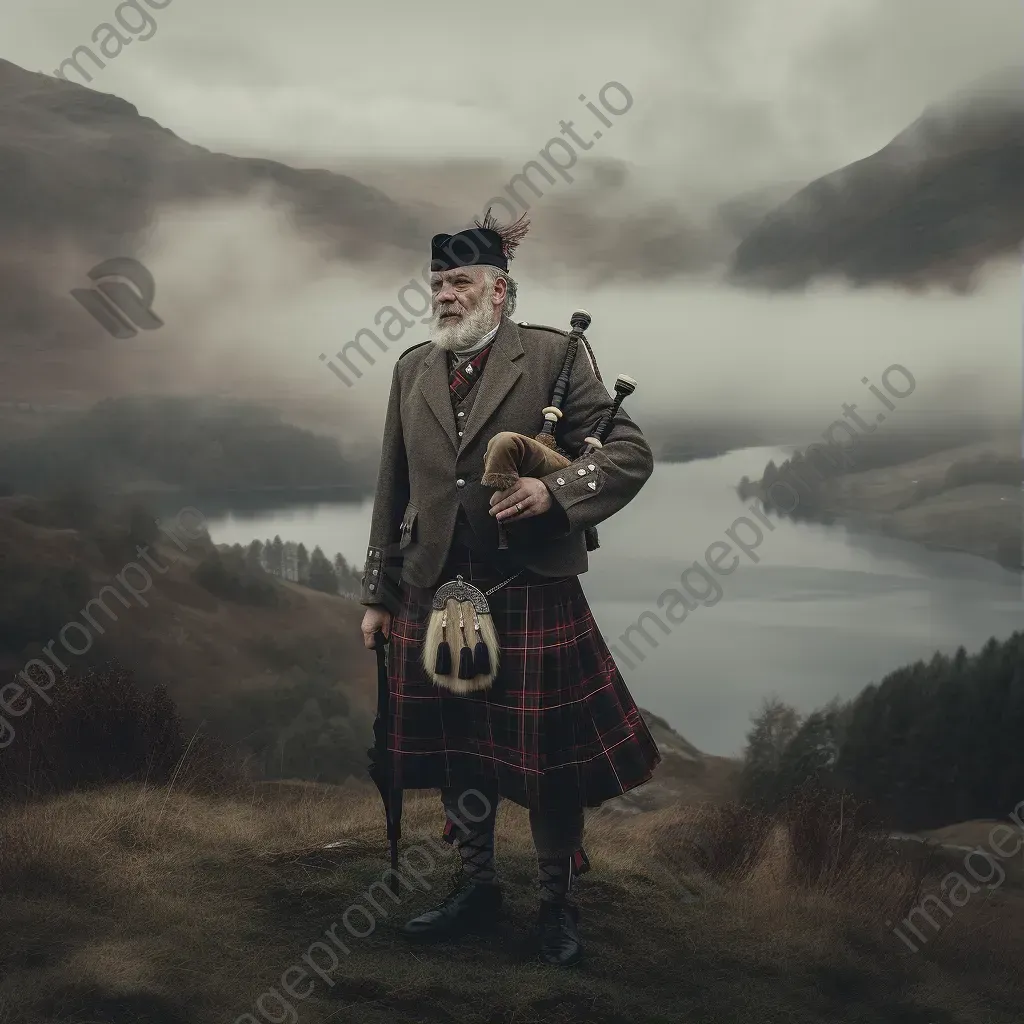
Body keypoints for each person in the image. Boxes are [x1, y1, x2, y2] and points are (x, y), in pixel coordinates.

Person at [359, 211, 660, 967]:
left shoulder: (555, 358)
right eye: (436, 284)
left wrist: (553, 494)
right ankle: (477, 885)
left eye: (459, 282)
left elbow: (630, 451)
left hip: (528, 584)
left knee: (549, 764)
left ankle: (557, 905)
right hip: (434, 589)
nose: (445, 297)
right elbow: (392, 488)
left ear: (500, 290)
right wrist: (377, 593)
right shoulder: (410, 369)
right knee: (463, 752)